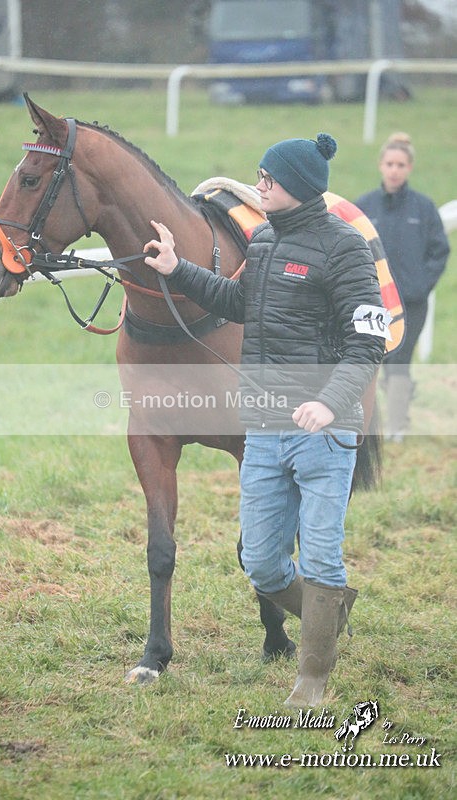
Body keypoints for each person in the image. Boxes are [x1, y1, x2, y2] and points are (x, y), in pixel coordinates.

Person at [143, 133, 387, 708]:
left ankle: (311, 682)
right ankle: (328, 608)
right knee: (260, 562)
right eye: (260, 175)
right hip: (265, 428)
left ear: (298, 187)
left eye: (268, 179)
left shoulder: (347, 249)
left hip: (325, 433)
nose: (258, 186)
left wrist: (329, 402)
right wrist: (178, 268)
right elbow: (233, 302)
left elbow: (368, 342)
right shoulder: (266, 240)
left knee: (322, 556)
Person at [355, 132, 450, 441]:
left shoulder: (423, 208)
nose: (394, 169)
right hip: (373, 302)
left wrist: (420, 286)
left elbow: (440, 250)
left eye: (400, 164)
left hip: (411, 303)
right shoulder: (364, 207)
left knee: (399, 359)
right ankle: (369, 419)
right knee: (373, 360)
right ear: (380, 165)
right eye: (389, 163)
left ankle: (396, 426)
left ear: (409, 167)